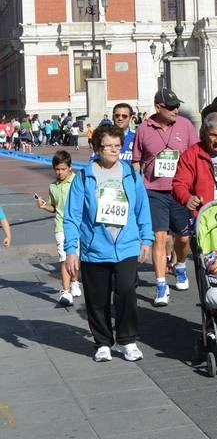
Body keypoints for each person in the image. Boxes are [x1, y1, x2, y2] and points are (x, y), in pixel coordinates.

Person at [63, 124, 154, 362]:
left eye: (117, 146)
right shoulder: (84, 177)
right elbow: (72, 216)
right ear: (97, 148)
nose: (113, 150)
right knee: (97, 298)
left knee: (126, 291)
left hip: (127, 245)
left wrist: (147, 238)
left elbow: (142, 208)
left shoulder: (131, 174)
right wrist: (71, 250)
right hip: (95, 248)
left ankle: (127, 340)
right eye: (108, 146)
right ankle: (103, 342)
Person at [132, 88, 199, 306]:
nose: (175, 110)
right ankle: (161, 285)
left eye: (177, 106)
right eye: (170, 107)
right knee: (158, 237)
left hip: (181, 190)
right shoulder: (144, 128)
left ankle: (180, 265)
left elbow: (196, 156)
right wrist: (137, 186)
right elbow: (136, 160)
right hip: (154, 191)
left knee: (183, 238)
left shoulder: (185, 126)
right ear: (158, 107)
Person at [35, 150, 81, 306]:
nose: (60, 172)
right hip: (61, 226)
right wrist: (43, 205)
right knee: (64, 258)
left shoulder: (78, 181)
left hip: (78, 226)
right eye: (57, 169)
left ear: (70, 167)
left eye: (63, 169)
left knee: (75, 257)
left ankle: (75, 281)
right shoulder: (53, 186)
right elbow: (53, 207)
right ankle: (66, 292)